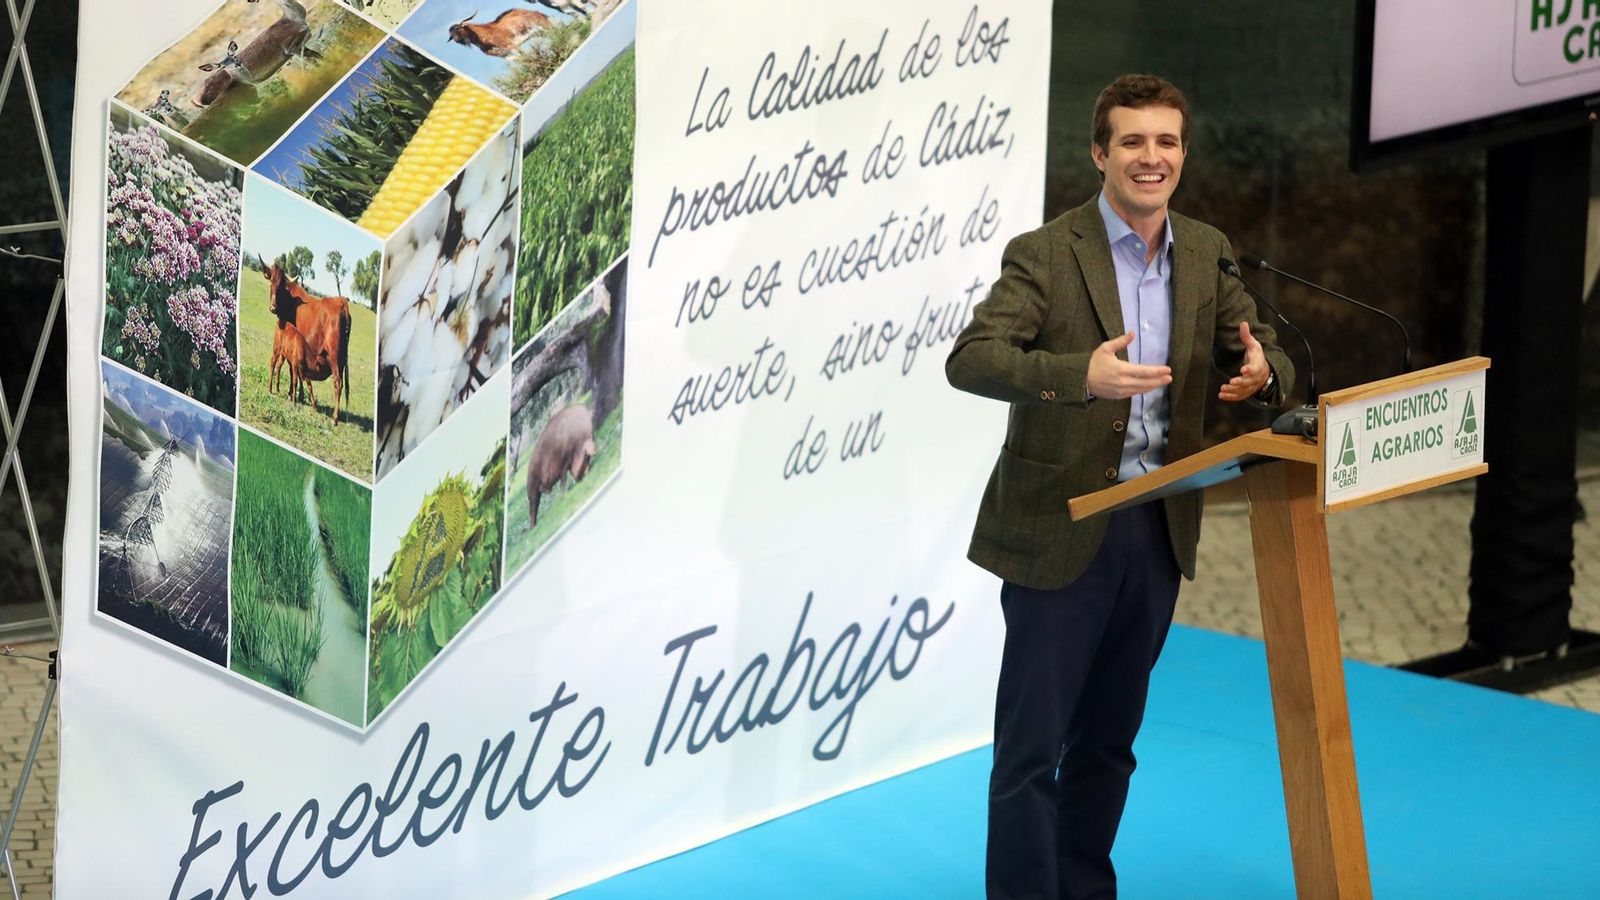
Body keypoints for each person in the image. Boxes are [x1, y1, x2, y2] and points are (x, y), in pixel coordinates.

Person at [945, 74, 1295, 899]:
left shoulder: (1205, 250)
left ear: (1183, 155)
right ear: (1100, 154)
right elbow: (973, 358)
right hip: (1061, 525)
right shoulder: (1046, 253)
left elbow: (1262, 344)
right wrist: (1080, 377)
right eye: (1132, 141)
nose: (1151, 157)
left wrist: (1263, 372)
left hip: (1157, 527)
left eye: (1166, 142)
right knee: (1031, 752)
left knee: (1109, 744)